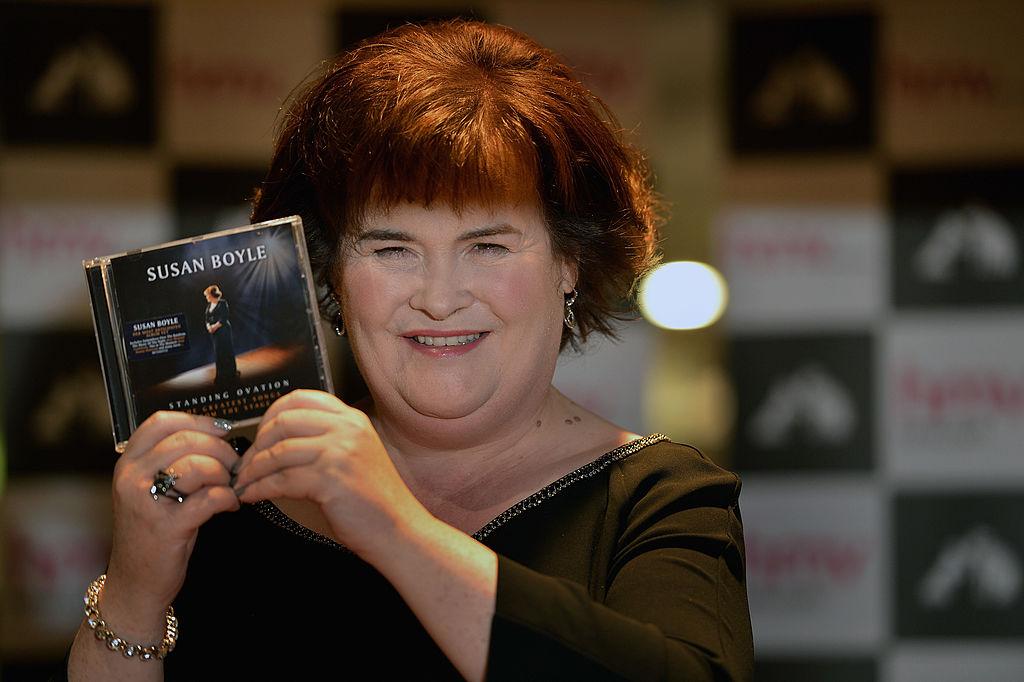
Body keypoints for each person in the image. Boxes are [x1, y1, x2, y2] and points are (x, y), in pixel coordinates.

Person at [66, 20, 753, 681]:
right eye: (391, 248)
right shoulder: (233, 493)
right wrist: (134, 589)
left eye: (486, 245)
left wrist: (393, 527)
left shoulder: (661, 500)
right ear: (330, 274)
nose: (439, 297)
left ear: (569, 263)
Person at [202, 284, 239, 388]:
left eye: (207, 295)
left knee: (227, 351)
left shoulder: (222, 303)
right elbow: (207, 319)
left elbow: (224, 318)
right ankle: (221, 376)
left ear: (212, 294)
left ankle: (231, 374)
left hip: (223, 330)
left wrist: (214, 327)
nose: (206, 297)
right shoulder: (209, 306)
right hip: (215, 333)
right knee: (218, 353)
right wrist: (208, 326)